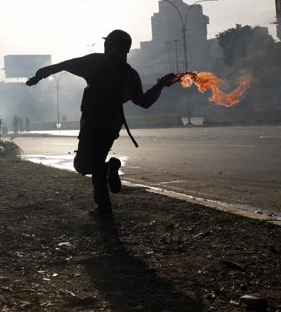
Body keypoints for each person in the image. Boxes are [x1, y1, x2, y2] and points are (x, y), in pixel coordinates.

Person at [26, 29, 176, 218]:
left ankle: (106, 184)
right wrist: (160, 85)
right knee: (96, 162)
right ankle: (104, 201)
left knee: (84, 166)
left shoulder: (96, 62)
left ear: (110, 45)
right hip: (112, 126)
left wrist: (38, 76)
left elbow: (61, 66)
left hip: (92, 124)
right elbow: (144, 102)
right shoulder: (131, 74)